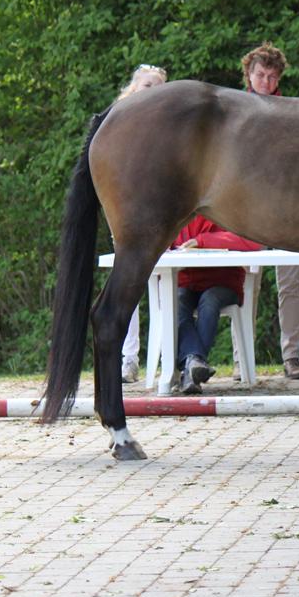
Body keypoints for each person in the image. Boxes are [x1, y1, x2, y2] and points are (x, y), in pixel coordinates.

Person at [241, 41, 299, 380]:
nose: (265, 82)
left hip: (285, 206)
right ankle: (243, 361)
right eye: (259, 75)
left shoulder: (291, 110)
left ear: (278, 78)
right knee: (243, 282)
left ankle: (291, 356)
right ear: (248, 75)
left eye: (271, 76)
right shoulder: (233, 111)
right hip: (244, 207)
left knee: (290, 284)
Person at [115, 64, 168, 383]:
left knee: (164, 289)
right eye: (149, 86)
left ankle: (166, 361)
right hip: (130, 217)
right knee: (129, 286)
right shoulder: (119, 124)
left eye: (160, 86)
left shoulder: (170, 128)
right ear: (134, 89)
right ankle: (128, 359)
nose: (154, 91)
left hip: (162, 218)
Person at [171, 216, 263, 394]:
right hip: (185, 283)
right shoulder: (176, 212)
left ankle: (190, 366)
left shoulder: (225, 207)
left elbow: (252, 241)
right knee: (176, 301)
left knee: (209, 300)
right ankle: (194, 364)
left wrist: (202, 241)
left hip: (223, 283)